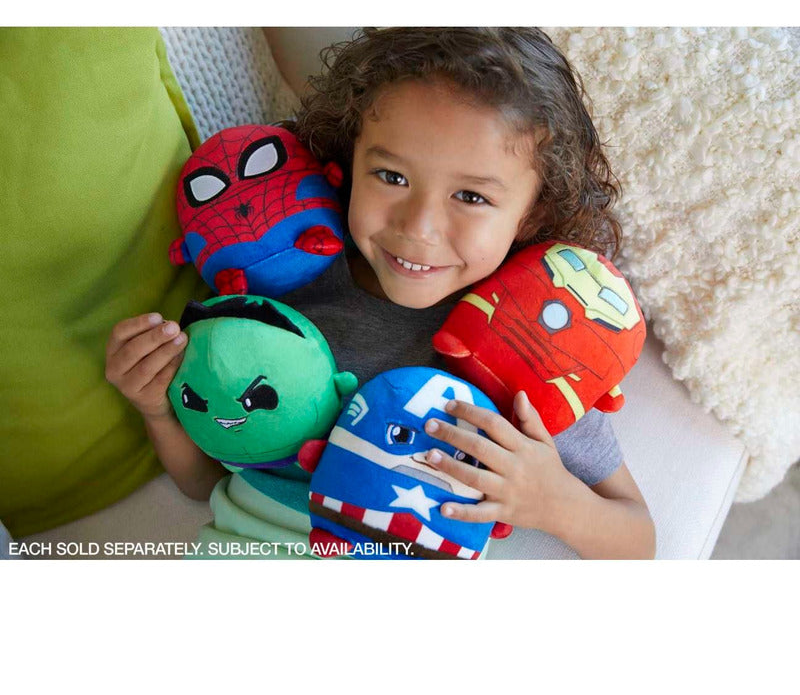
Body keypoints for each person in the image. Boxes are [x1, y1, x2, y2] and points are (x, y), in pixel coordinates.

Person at [105, 28, 655, 559]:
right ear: (349, 160)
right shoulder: (284, 296)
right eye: (392, 177)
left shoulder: (527, 350)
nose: (418, 226)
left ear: (531, 214)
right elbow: (206, 482)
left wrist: (552, 503)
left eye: (471, 196)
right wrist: (158, 410)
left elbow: (637, 540)